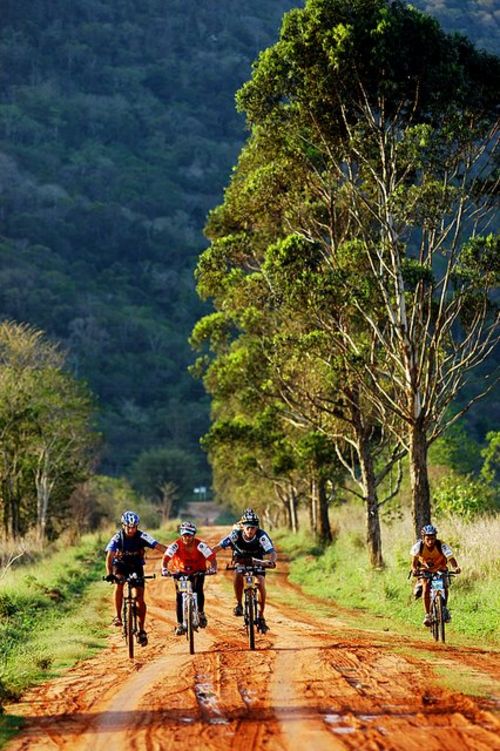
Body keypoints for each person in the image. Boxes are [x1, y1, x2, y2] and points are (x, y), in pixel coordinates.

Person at [105, 510, 167, 646]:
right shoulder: (117, 538)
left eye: (134, 527)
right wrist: (110, 573)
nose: (131, 530)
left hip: (136, 567)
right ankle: (118, 616)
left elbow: (158, 546)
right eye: (128, 527)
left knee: (139, 597)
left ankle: (141, 630)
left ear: (137, 526)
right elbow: (109, 556)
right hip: (120, 566)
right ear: (123, 525)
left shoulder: (142, 536)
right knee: (119, 583)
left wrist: (173, 554)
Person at [212, 508, 277, 634]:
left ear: (257, 528)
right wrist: (207, 555)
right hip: (240, 560)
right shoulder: (235, 534)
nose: (250, 531)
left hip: (257, 561)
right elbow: (219, 547)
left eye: (253, 528)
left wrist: (272, 561)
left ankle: (261, 616)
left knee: (260, 582)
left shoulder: (261, 536)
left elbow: (272, 552)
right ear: (243, 527)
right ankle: (239, 604)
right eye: (247, 528)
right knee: (237, 574)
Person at [161, 521, 217, 635]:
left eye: (189, 535)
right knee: (179, 596)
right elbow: (166, 558)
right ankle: (180, 624)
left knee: (198, 590)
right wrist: (164, 569)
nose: (187, 538)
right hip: (180, 572)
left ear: (194, 535)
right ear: (181, 535)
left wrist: (213, 568)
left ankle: (200, 613)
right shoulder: (175, 545)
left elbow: (211, 557)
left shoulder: (200, 545)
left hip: (198, 571)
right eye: (185, 535)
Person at [411, 524, 461, 627]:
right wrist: (415, 570)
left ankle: (443, 609)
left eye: (433, 538)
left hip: (440, 569)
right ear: (423, 538)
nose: (430, 541)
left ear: (435, 537)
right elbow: (414, 563)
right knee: (426, 587)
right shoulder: (418, 546)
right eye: (428, 539)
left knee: (443, 587)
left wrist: (455, 567)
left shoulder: (441, 545)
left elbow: (450, 558)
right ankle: (428, 615)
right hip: (425, 570)